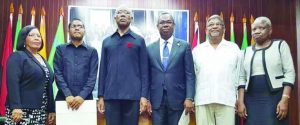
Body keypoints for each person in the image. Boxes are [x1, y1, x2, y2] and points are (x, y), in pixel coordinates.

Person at [237, 16, 295, 125]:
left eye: (262, 28)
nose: (257, 31)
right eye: (254, 29)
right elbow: (241, 78)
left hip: (275, 97)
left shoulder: (280, 45)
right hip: (251, 99)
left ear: (270, 30)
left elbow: (290, 72)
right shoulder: (245, 51)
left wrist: (285, 99)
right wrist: (240, 101)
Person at [97, 5, 149, 125]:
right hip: (110, 96)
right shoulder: (107, 41)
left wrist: (144, 96)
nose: (123, 15)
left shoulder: (139, 41)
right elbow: (103, 70)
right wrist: (101, 96)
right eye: (119, 13)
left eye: (126, 13)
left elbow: (144, 71)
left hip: (133, 96)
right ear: (115, 18)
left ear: (131, 18)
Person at [147, 12, 195, 125]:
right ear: (157, 26)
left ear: (174, 25)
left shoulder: (184, 46)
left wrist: (189, 97)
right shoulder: (149, 48)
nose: (165, 25)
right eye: (162, 22)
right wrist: (147, 98)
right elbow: (147, 76)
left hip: (178, 100)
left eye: (168, 22)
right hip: (156, 101)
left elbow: (190, 75)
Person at [192, 15, 241, 125]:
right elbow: (192, 76)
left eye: (218, 24)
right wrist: (192, 98)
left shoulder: (234, 48)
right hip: (203, 100)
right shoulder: (197, 50)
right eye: (211, 24)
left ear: (224, 29)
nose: (214, 26)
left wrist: (239, 98)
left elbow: (239, 75)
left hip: (227, 100)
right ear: (205, 30)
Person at [5, 25, 55, 124]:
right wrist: (16, 107)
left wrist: (51, 109)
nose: (36, 38)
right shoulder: (18, 56)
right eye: (31, 35)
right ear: (24, 39)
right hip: (22, 111)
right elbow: (12, 82)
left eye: (39, 36)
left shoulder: (42, 59)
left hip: (41, 110)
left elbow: (48, 86)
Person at [54, 18, 99, 110]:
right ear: (68, 30)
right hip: (64, 98)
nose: (77, 28)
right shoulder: (60, 49)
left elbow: (92, 77)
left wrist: (81, 96)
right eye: (73, 26)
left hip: (86, 100)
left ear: (84, 31)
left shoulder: (92, 51)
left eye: (80, 26)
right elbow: (58, 73)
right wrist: (68, 95)